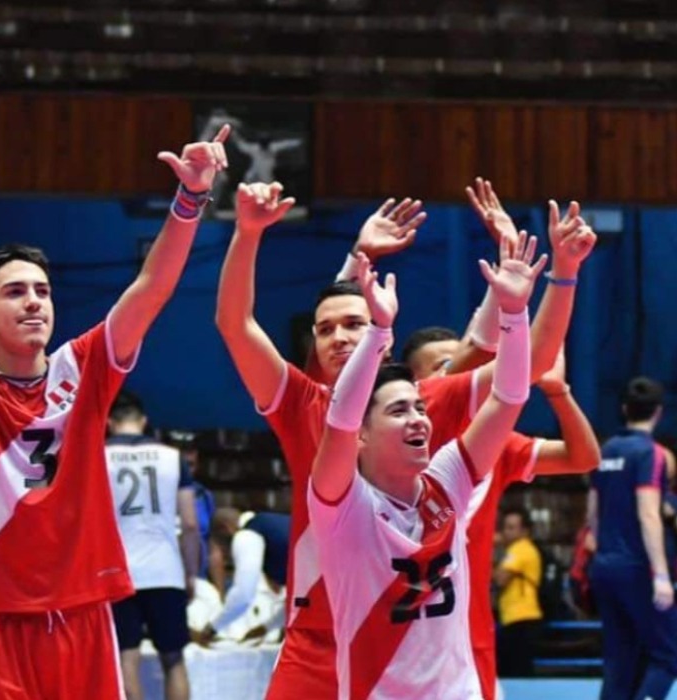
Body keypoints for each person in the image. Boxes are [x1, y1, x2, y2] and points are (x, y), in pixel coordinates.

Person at [215, 178, 590, 699]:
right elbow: (235, 324)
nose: (339, 338)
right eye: (326, 331)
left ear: (382, 332)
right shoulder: (306, 403)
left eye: (355, 325)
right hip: (317, 635)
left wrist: (561, 276)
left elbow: (523, 373)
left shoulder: (422, 402)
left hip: (411, 633)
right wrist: (251, 233)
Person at [0, 121, 230, 698]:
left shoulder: (85, 366)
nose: (34, 302)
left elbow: (151, 288)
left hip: (84, 610)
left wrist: (191, 197)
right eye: (15, 292)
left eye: (43, 291)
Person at [309, 239, 541, 699]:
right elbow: (339, 420)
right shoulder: (340, 504)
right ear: (362, 433)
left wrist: (515, 313)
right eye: (399, 411)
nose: (418, 418)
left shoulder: (447, 479)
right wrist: (378, 332)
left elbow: (510, 396)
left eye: (419, 407)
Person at [404, 333, 601, 699]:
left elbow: (584, 458)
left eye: (471, 365)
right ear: (414, 384)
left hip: (470, 634)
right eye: (446, 366)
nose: (466, 375)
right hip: (398, 632)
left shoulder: (494, 445)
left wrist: (557, 391)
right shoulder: (385, 451)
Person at [105, 389, 199, 700]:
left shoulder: (97, 456)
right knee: (173, 660)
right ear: (144, 421)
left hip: (118, 573)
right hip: (165, 570)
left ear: (109, 422)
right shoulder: (172, 457)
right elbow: (189, 523)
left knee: (125, 659)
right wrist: (190, 573)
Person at [589, 376, 677, 700]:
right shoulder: (651, 453)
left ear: (625, 409)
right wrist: (662, 576)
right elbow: (648, 514)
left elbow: (592, 514)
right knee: (668, 655)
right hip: (638, 568)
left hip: (604, 567)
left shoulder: (604, 450)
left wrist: (603, 553)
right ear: (658, 412)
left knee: (620, 661)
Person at [194, 509, 290, 644]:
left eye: (222, 548)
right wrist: (266, 627)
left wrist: (211, 629)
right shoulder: (278, 526)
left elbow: (243, 595)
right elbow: (302, 598)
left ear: (225, 529)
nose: (226, 556)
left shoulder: (247, 535)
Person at [494, 507, 543, 678]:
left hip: (521, 617)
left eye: (511, 528)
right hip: (515, 617)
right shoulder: (520, 549)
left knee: (516, 669)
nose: (506, 532)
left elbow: (501, 579)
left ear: (524, 531)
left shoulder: (520, 549)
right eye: (505, 527)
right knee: (517, 667)